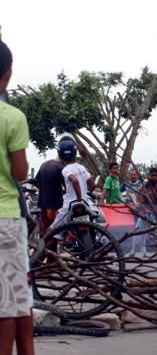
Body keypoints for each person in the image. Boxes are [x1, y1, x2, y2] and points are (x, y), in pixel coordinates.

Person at [0, 40, 34, 355]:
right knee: (10, 303)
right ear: (7, 75)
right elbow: (20, 172)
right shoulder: (12, 117)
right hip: (7, 217)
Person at [52, 134, 102, 229]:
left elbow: (74, 180)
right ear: (75, 153)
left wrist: (78, 199)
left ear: (60, 155)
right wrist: (84, 195)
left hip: (70, 206)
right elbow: (92, 185)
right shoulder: (82, 168)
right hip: (85, 203)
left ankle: (44, 243)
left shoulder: (66, 170)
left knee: (53, 230)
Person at [33, 146, 67, 239]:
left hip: (43, 205)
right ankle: (47, 251)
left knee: (46, 231)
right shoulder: (62, 167)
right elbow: (68, 188)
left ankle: (44, 251)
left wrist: (45, 190)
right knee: (55, 233)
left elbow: (36, 182)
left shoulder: (44, 164)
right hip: (55, 205)